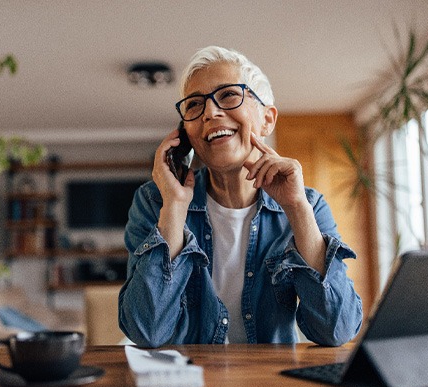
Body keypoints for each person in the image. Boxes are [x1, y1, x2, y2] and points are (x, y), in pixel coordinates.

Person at [118, 46, 362, 347]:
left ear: (267, 119)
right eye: (194, 105)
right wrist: (175, 207)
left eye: (229, 95)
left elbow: (336, 330)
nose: (210, 112)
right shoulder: (155, 202)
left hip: (269, 385)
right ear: (186, 133)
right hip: (184, 383)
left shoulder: (308, 205)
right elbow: (146, 331)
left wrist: (296, 208)